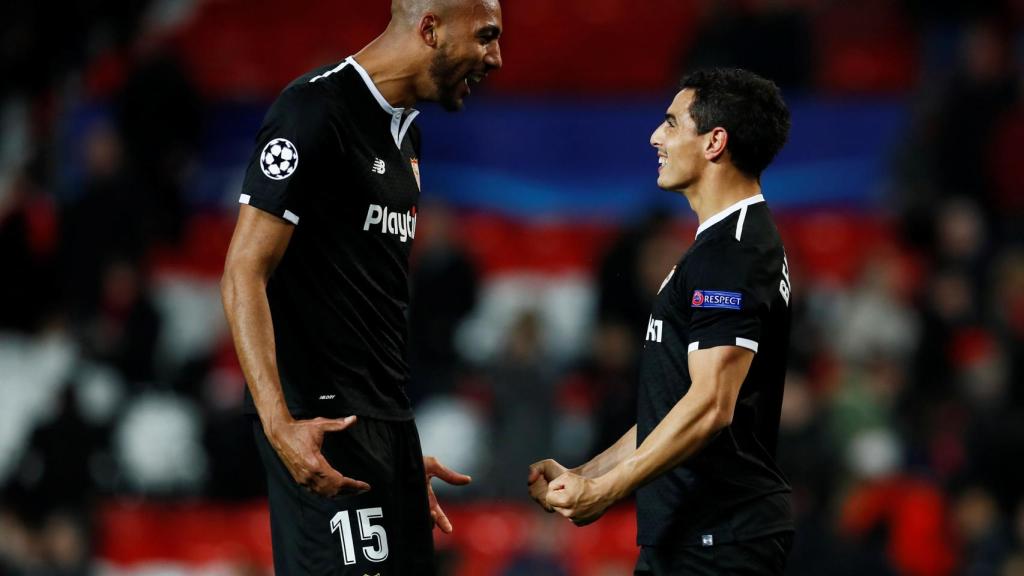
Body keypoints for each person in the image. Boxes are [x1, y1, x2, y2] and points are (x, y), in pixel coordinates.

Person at [220, 1, 502, 573]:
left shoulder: (407, 136)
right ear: (430, 28)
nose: (496, 57)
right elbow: (242, 272)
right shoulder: (314, 109)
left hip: (386, 428)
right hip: (321, 428)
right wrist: (280, 424)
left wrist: (393, 446)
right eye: (486, 36)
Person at [529, 68, 794, 575]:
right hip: (694, 536)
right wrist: (588, 475)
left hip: (719, 539)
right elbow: (676, 404)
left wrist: (607, 488)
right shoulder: (721, 246)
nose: (656, 136)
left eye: (672, 124)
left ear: (715, 141)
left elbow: (711, 405)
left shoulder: (733, 253)